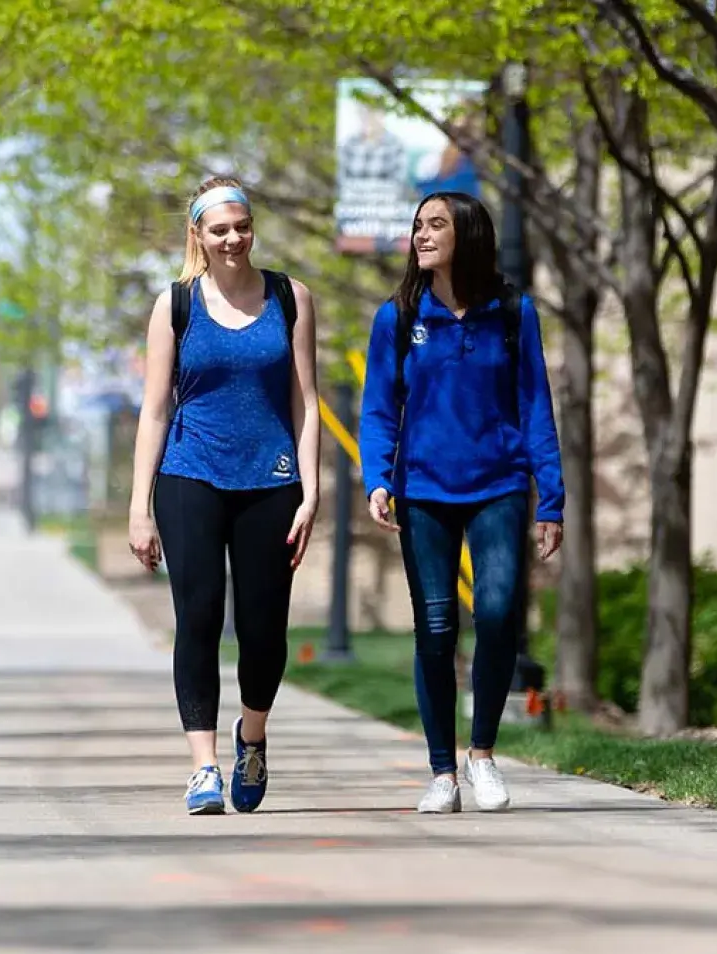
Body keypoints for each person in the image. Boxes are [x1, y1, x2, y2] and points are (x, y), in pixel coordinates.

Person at [358, 191, 564, 814]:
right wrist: (378, 478)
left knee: (499, 614)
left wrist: (550, 500)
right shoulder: (397, 316)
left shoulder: (511, 312)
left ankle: (483, 755)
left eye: (435, 225)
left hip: (499, 486)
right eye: (417, 225)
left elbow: (535, 407)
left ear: (466, 234)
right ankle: (442, 772)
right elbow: (378, 407)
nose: (421, 234)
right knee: (437, 629)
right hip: (423, 492)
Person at [128, 176, 321, 816]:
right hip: (190, 477)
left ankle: (253, 735)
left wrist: (311, 490)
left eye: (241, 226)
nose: (233, 238)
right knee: (200, 617)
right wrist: (139, 507)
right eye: (219, 229)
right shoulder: (175, 305)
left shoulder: (291, 298)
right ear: (199, 236)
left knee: (264, 632)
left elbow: (306, 403)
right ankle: (203, 766)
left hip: (271, 479)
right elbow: (154, 411)